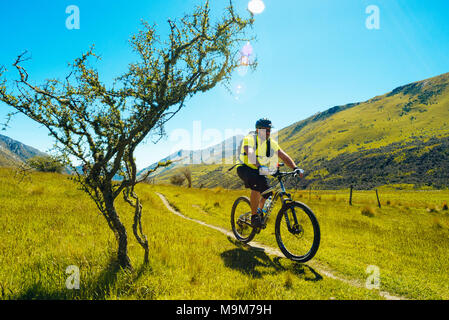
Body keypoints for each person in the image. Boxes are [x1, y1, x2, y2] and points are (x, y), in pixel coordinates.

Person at [236, 118, 303, 228]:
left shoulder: (271, 143)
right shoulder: (250, 139)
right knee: (256, 185)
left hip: (260, 169)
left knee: (268, 193)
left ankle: (259, 211)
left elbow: (283, 156)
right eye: (265, 130)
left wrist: (295, 167)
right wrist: (260, 166)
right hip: (245, 168)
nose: (267, 132)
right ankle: (254, 217)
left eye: (269, 130)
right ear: (257, 130)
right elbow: (250, 153)